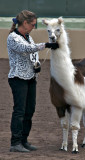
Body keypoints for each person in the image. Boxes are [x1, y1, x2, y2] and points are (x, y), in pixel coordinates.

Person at [7, 10, 59, 152]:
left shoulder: (28, 36)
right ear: (25, 23)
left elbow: (32, 53)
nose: (34, 27)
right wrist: (46, 45)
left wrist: (36, 65)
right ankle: (15, 142)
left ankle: (23, 140)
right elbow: (26, 49)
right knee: (20, 111)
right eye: (33, 24)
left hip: (30, 78)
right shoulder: (13, 37)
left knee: (29, 110)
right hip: (18, 78)